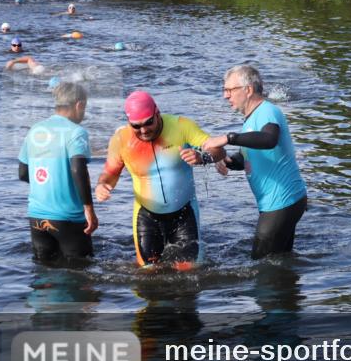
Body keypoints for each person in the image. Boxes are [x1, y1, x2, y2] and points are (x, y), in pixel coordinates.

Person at [96, 91, 224, 270]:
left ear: (157, 113)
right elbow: (110, 172)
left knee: (189, 272)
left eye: (149, 122)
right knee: (148, 274)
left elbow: (219, 151)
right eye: (136, 126)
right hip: (146, 216)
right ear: (128, 123)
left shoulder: (181, 126)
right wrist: (103, 185)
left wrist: (202, 157)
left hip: (184, 213)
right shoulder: (121, 139)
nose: (143, 130)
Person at [190, 65, 307, 259]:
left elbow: (269, 140)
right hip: (283, 202)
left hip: (281, 202)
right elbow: (246, 158)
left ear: (248, 90)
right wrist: (220, 159)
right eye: (224, 90)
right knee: (280, 262)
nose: (225, 96)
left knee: (261, 265)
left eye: (230, 90)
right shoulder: (251, 120)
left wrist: (229, 137)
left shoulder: (268, 111)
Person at [18, 81, 98, 260]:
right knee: (82, 273)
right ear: (79, 105)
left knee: (44, 274)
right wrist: (89, 209)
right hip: (68, 217)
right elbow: (78, 169)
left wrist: (50, 183)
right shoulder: (76, 132)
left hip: (36, 217)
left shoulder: (35, 130)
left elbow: (23, 173)